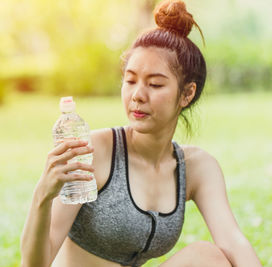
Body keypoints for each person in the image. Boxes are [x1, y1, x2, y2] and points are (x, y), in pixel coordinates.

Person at [20, 0, 263, 266]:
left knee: (207, 257)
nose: (137, 95)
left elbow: (232, 241)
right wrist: (43, 194)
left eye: (155, 84)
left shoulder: (196, 167)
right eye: (131, 80)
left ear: (187, 93)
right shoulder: (94, 151)